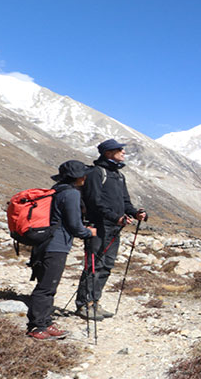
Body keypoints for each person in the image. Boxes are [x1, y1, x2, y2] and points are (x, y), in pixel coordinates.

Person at [74, 138, 147, 320]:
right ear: (108, 153)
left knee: (106, 266)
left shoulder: (118, 175)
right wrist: (117, 217)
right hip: (97, 226)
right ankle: (84, 305)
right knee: (94, 266)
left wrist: (135, 213)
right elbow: (94, 202)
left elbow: (125, 202)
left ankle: (95, 302)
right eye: (119, 150)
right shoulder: (96, 173)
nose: (123, 153)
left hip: (114, 227)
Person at [27, 160, 96, 339]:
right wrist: (89, 232)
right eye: (83, 174)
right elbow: (75, 225)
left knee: (47, 284)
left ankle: (45, 322)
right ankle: (37, 327)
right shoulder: (72, 194)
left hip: (44, 242)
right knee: (47, 287)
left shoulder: (57, 190)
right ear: (77, 177)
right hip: (56, 245)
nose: (85, 177)